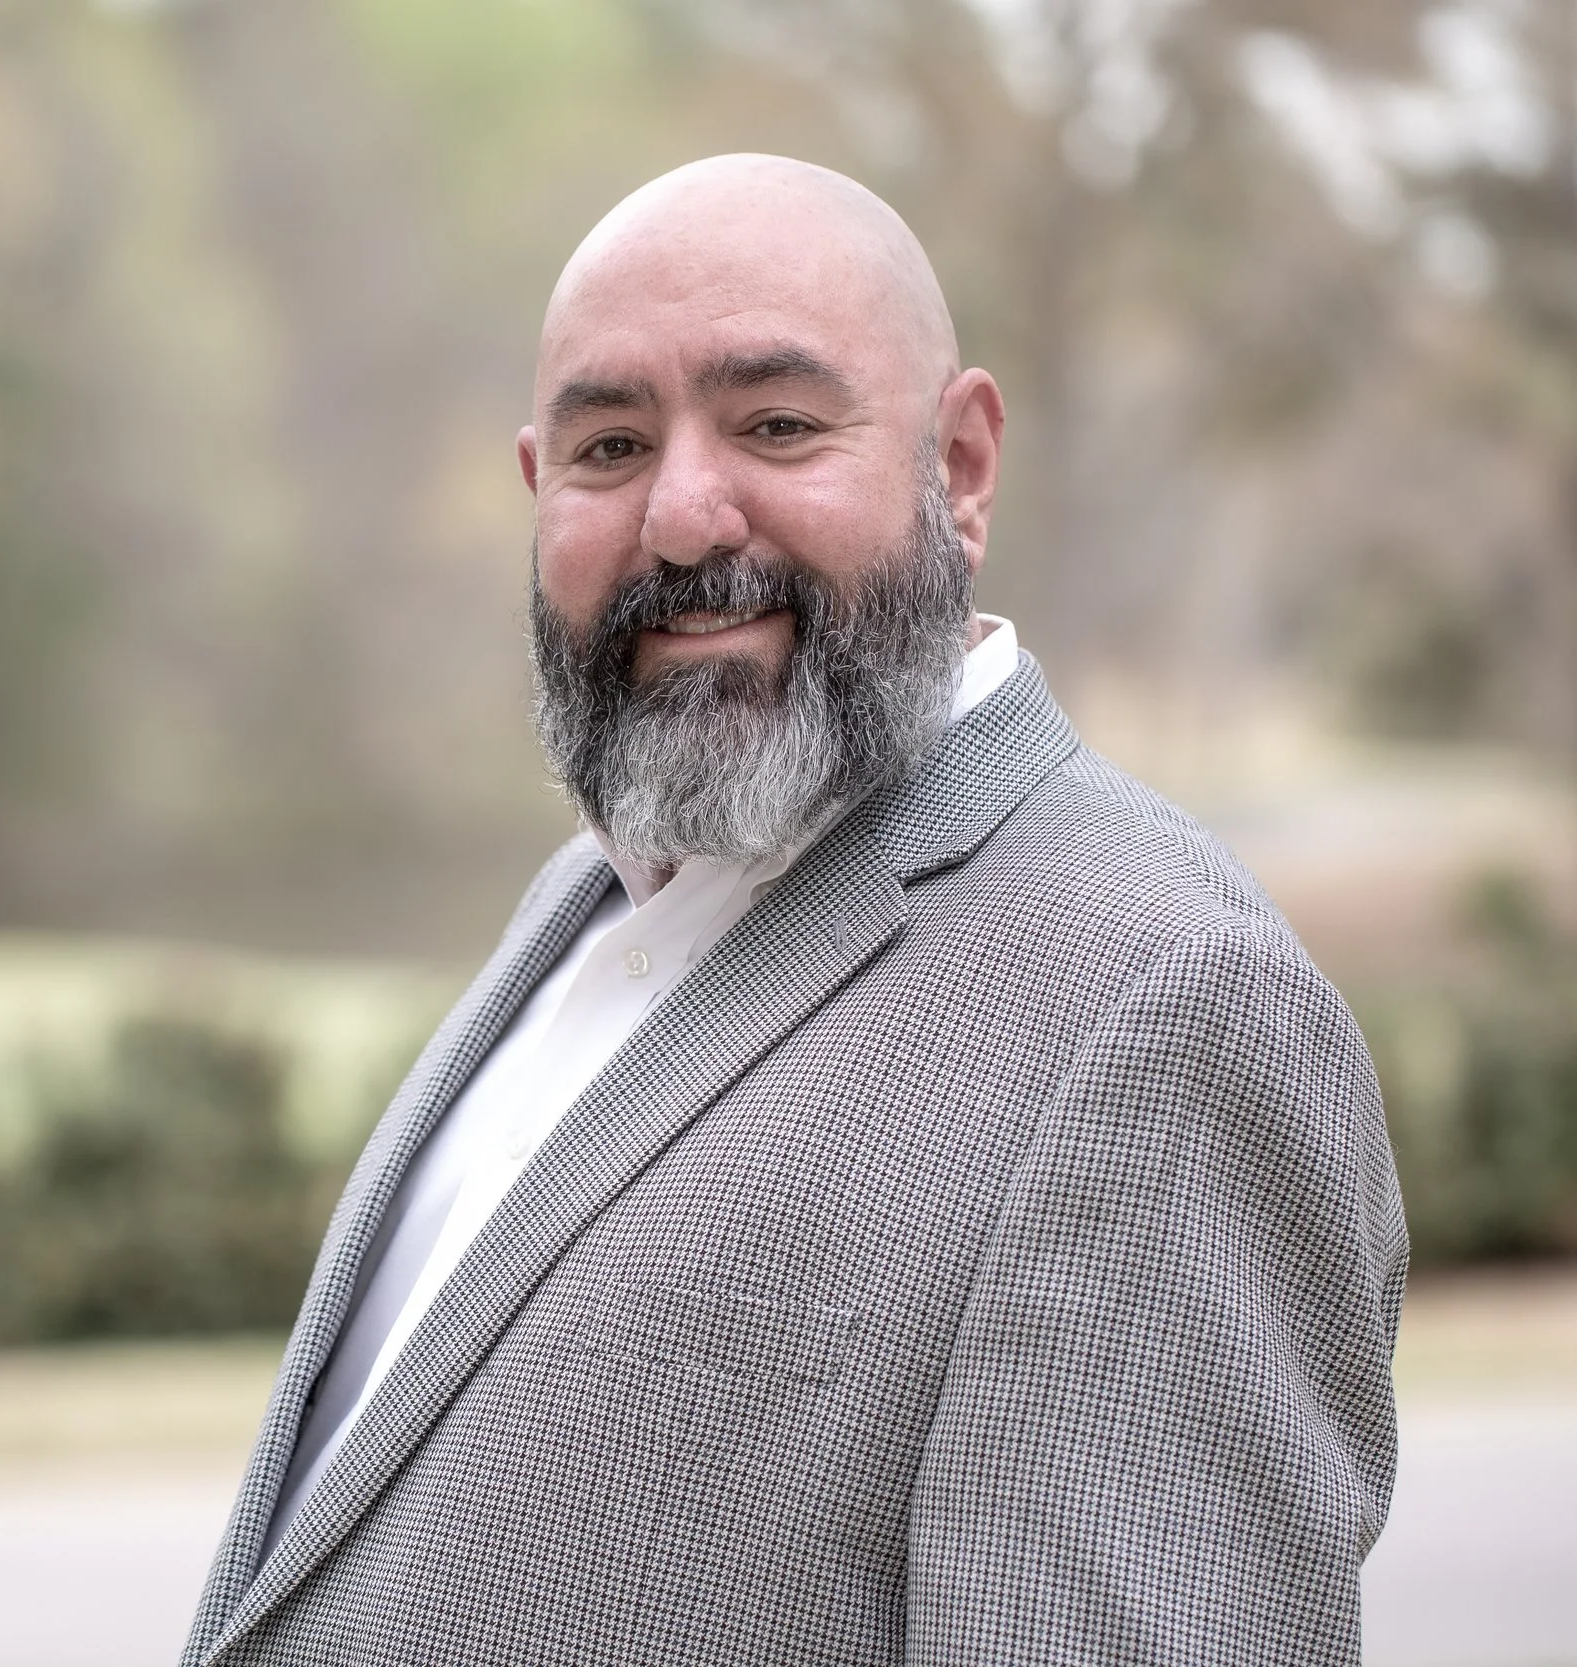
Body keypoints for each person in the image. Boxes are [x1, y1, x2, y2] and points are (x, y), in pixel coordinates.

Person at [179, 155, 1406, 1666]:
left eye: (776, 425)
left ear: (959, 465)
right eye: (611, 445)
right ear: (535, 488)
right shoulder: (579, 905)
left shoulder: (1166, 1001)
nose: (685, 519)